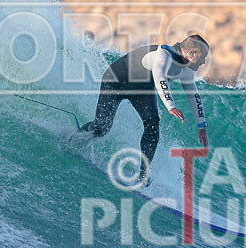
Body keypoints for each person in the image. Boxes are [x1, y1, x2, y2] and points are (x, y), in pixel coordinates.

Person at [80, 34, 210, 185]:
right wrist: (171, 106)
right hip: (115, 82)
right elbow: (159, 77)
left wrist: (202, 126)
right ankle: (74, 139)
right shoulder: (163, 55)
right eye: (202, 57)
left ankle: (143, 175)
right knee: (102, 127)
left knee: (152, 124)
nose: (204, 61)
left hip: (141, 90)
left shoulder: (186, 70)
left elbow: (194, 96)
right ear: (191, 53)